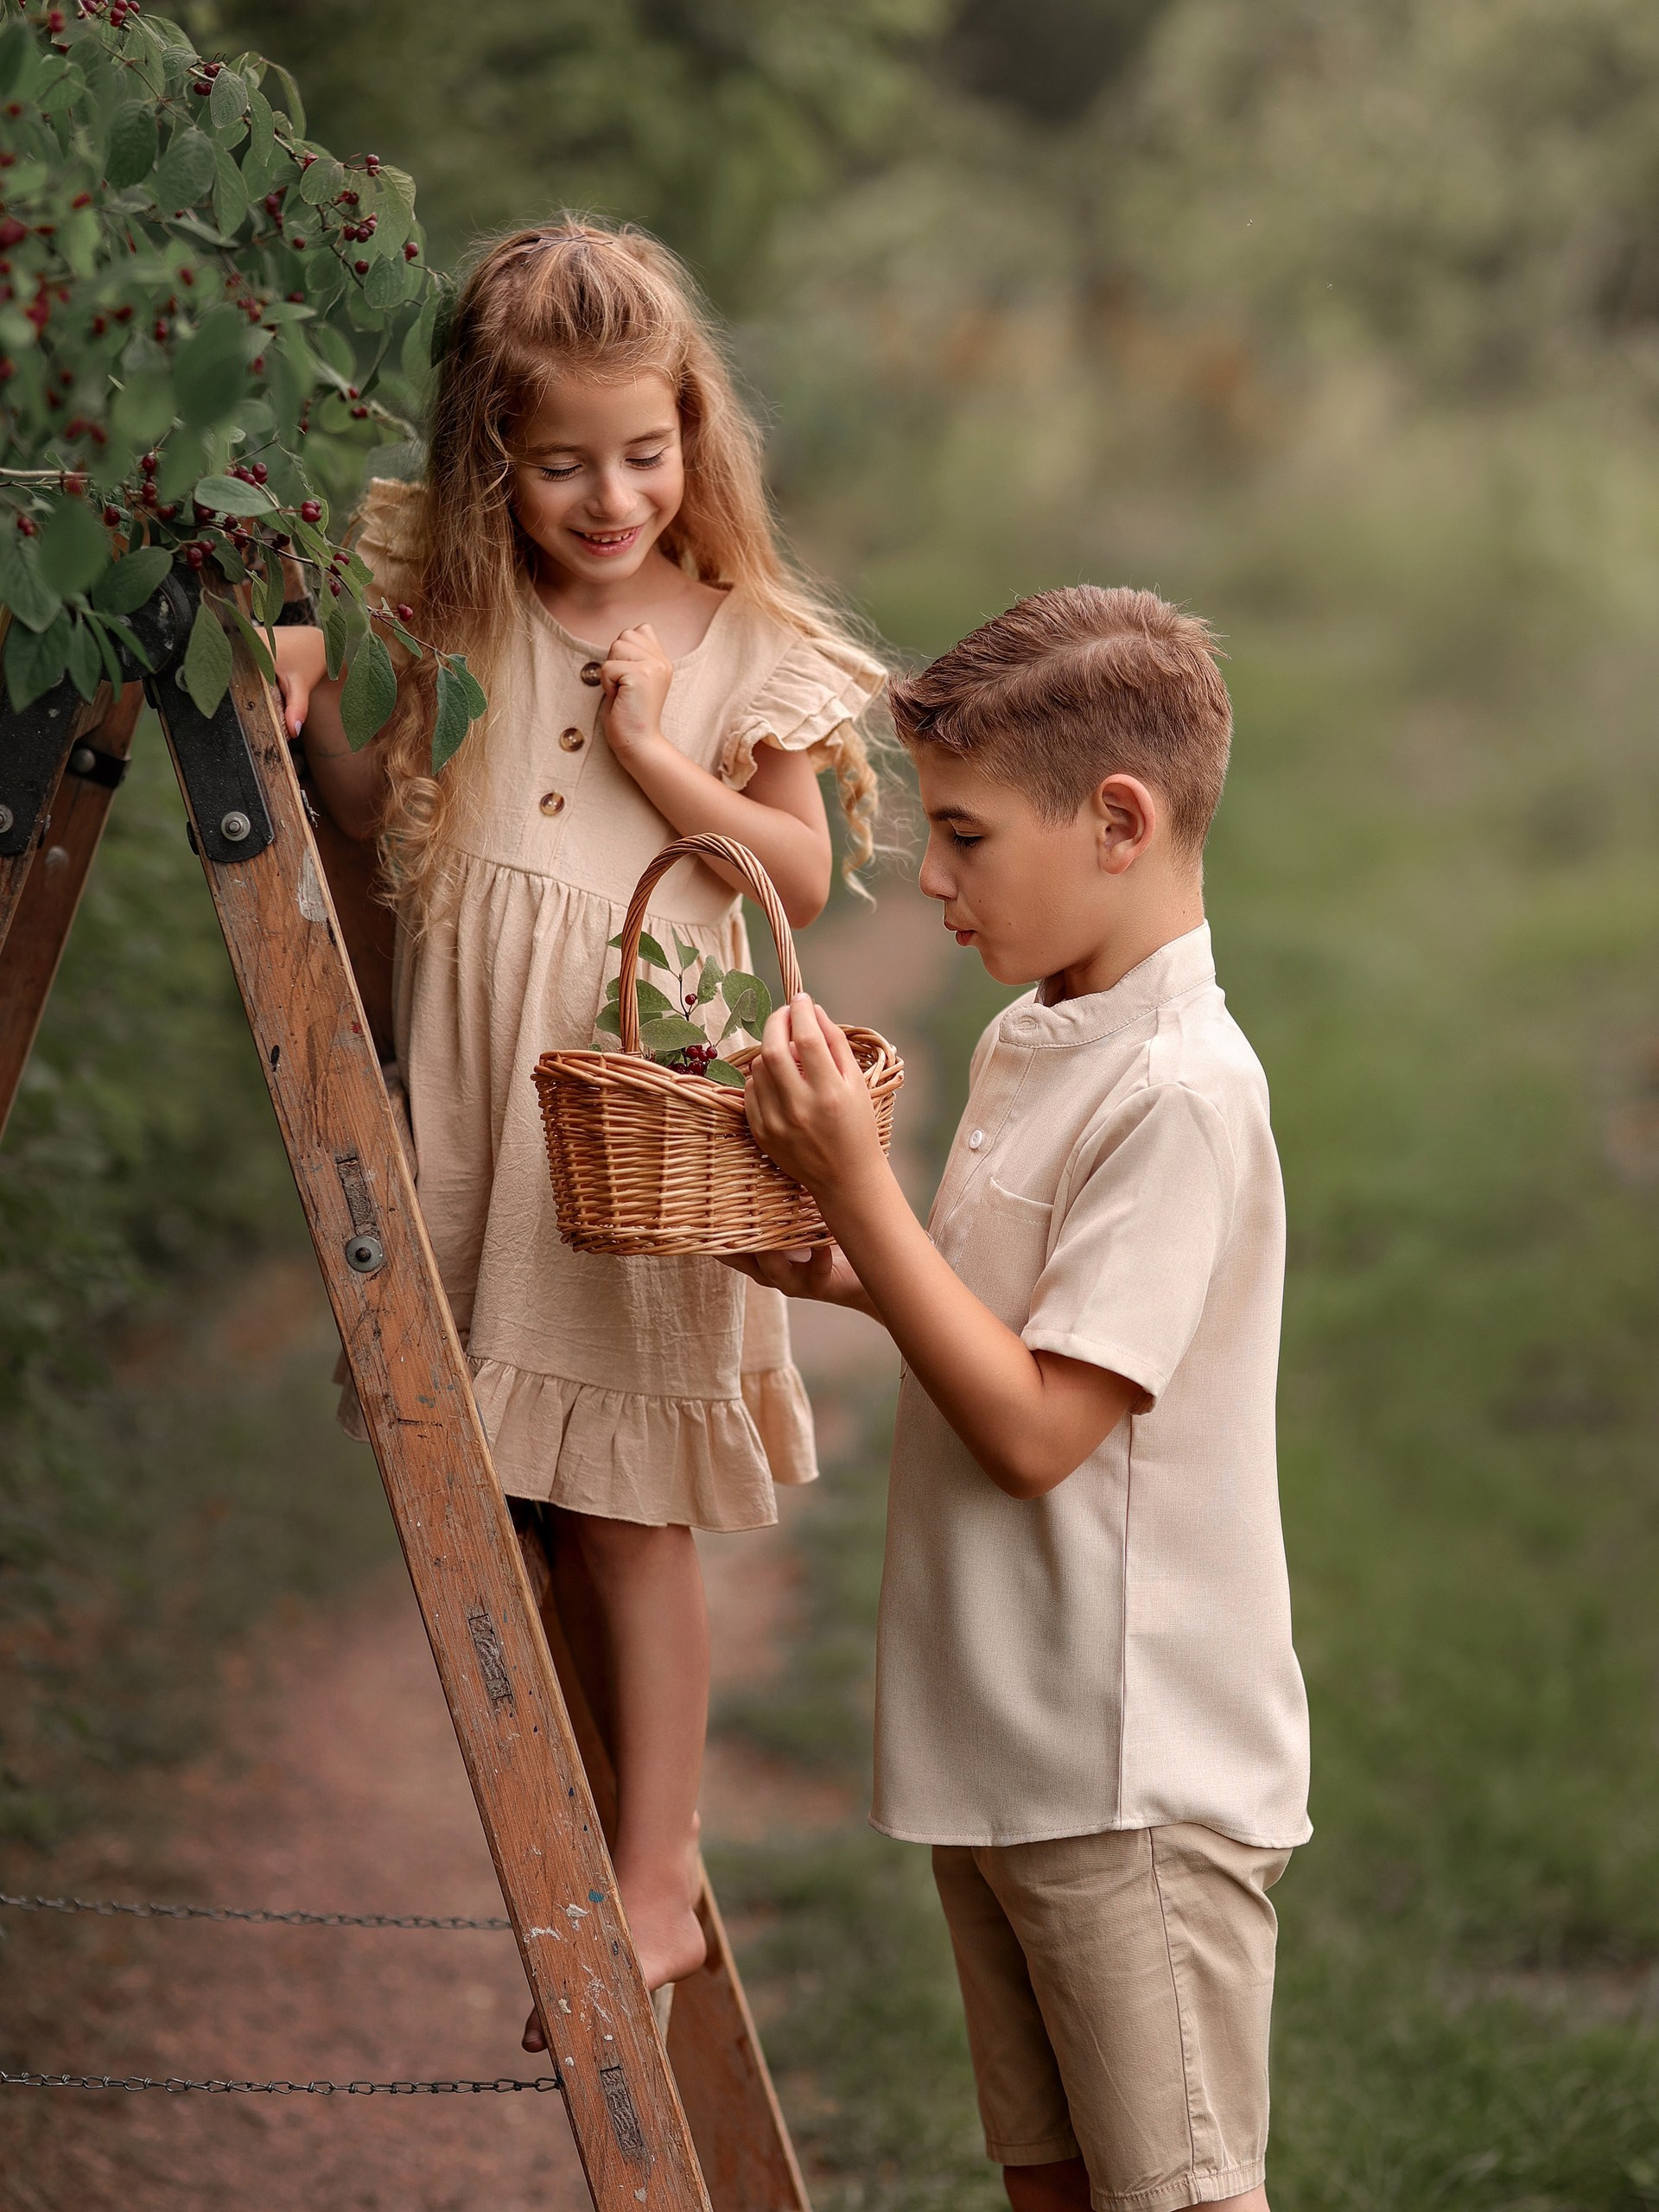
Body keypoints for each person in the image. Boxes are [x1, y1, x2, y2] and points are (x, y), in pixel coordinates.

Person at [272, 219, 887, 2025]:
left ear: (696, 429)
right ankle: (597, 1845)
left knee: (628, 1515)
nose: (612, 495)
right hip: (474, 1113)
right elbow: (379, 816)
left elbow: (798, 872)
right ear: (491, 459)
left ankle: (662, 1868)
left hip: (630, 1118)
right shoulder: (457, 611)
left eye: (645, 449)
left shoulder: (742, 640)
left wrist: (657, 761)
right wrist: (301, 701)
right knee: (520, 1509)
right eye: (561, 462)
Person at [728, 587, 1311, 2212]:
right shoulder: (1036, 1035)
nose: (929, 877)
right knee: (1052, 2184)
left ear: (1118, 822)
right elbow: (1008, 1334)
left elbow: (1041, 1431)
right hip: (1010, 1745)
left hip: (1131, 1768)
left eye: (966, 837)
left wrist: (865, 1197)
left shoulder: (1184, 1095)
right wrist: (850, 1265)